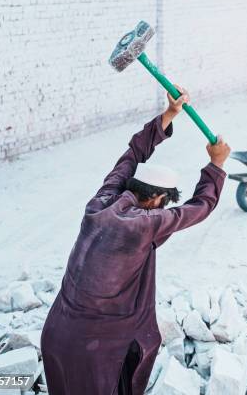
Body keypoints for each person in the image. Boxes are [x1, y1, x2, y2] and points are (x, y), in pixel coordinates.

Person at [41, 86, 231, 395]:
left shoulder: (101, 200)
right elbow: (200, 207)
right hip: (95, 349)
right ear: (157, 199)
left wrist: (169, 115)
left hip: (56, 334)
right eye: (165, 203)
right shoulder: (145, 224)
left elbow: (132, 155)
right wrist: (216, 164)